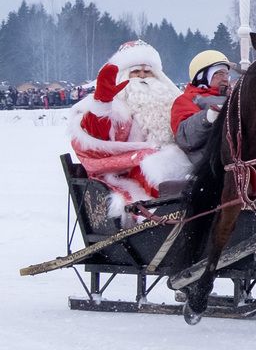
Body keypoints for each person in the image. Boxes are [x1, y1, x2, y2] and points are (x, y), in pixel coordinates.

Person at [68, 40, 192, 224]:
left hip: (176, 158)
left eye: (148, 72)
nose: (142, 77)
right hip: (131, 168)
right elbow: (96, 139)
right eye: (135, 72)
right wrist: (103, 103)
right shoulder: (116, 106)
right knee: (156, 171)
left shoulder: (172, 101)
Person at [171, 50, 233, 167]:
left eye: (226, 74)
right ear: (202, 77)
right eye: (219, 73)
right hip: (211, 165)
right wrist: (208, 117)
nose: (225, 79)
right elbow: (185, 137)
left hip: (242, 159)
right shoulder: (186, 100)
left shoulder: (235, 98)